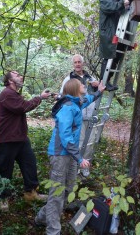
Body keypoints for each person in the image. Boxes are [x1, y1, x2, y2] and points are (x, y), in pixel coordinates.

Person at [35, 78, 105, 235]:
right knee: (57, 194)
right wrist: (80, 158)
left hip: (71, 154)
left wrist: (99, 91)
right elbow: (65, 136)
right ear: (74, 89)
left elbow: (88, 99)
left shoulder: (77, 103)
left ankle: (41, 217)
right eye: (81, 85)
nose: (84, 86)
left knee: (69, 189)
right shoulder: (67, 108)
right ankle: (53, 231)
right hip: (60, 154)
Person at [0, 70, 51, 211]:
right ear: (10, 80)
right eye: (17, 75)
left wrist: (40, 98)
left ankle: (30, 193)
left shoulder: (14, 94)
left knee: (29, 164)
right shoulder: (7, 94)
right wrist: (40, 97)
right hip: (6, 140)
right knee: (5, 170)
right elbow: (23, 107)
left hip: (20, 138)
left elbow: (23, 105)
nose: (21, 76)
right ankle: (3, 198)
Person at [60, 54, 99, 176]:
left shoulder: (90, 78)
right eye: (75, 62)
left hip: (91, 114)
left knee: (90, 142)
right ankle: (76, 165)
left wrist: (97, 86)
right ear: (73, 64)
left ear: (83, 63)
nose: (77, 64)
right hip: (78, 115)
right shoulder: (69, 79)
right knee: (80, 141)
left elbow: (97, 92)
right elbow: (63, 95)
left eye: (79, 62)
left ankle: (85, 167)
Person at [99, 0, 130, 91]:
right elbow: (109, 7)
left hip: (121, 31)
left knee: (117, 56)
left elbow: (128, 1)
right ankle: (104, 82)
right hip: (109, 31)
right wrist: (122, 4)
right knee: (108, 55)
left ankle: (108, 80)